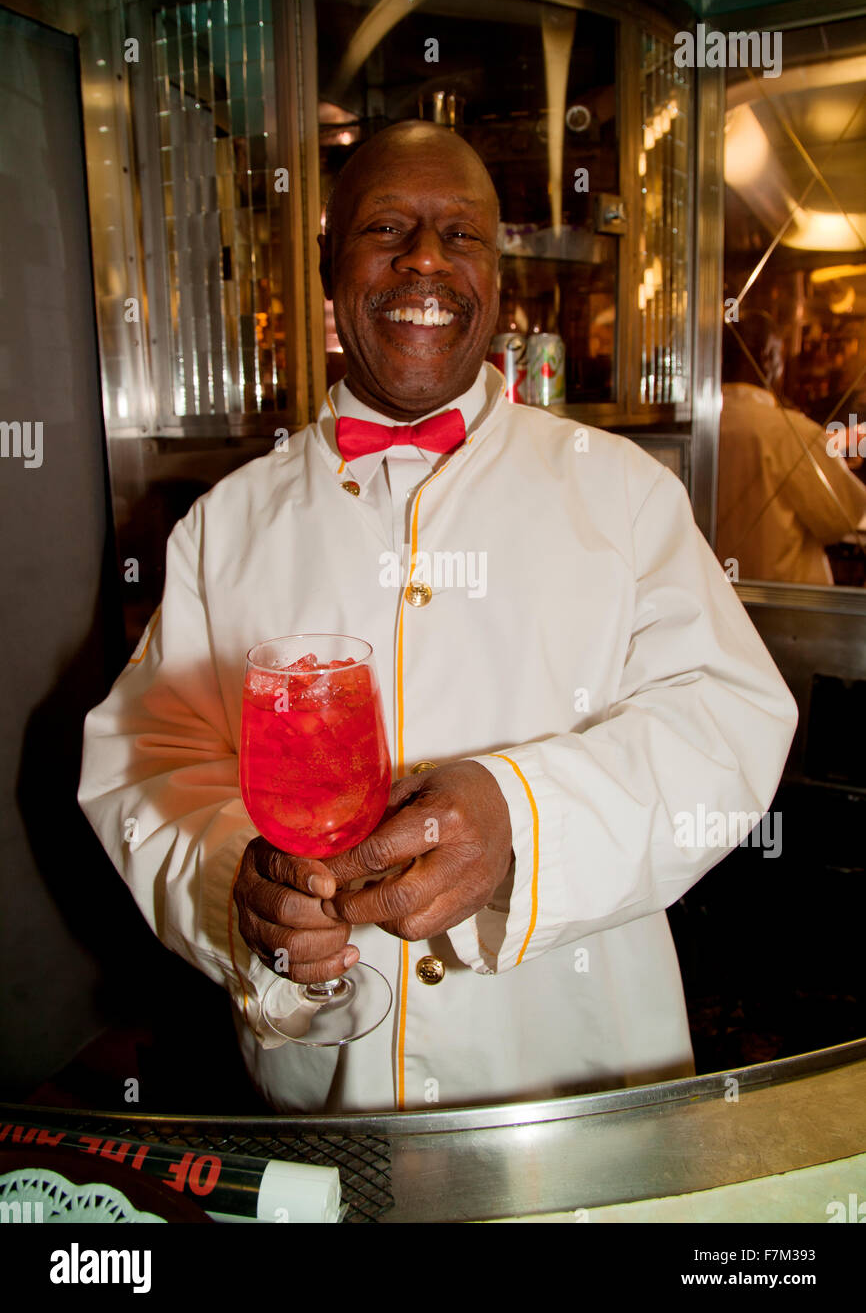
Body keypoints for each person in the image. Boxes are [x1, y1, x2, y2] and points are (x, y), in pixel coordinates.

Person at [79, 122, 798, 1114]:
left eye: (459, 235)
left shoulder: (624, 494)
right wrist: (227, 881)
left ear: (499, 283)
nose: (424, 256)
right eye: (386, 227)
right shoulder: (225, 524)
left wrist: (524, 818)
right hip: (319, 1098)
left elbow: (729, 718)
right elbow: (147, 762)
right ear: (331, 270)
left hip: (579, 1080)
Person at [716, 310, 866, 585]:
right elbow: (842, 517)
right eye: (781, 355)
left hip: (720, 600)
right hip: (787, 609)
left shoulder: (700, 429)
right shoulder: (793, 433)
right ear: (767, 356)